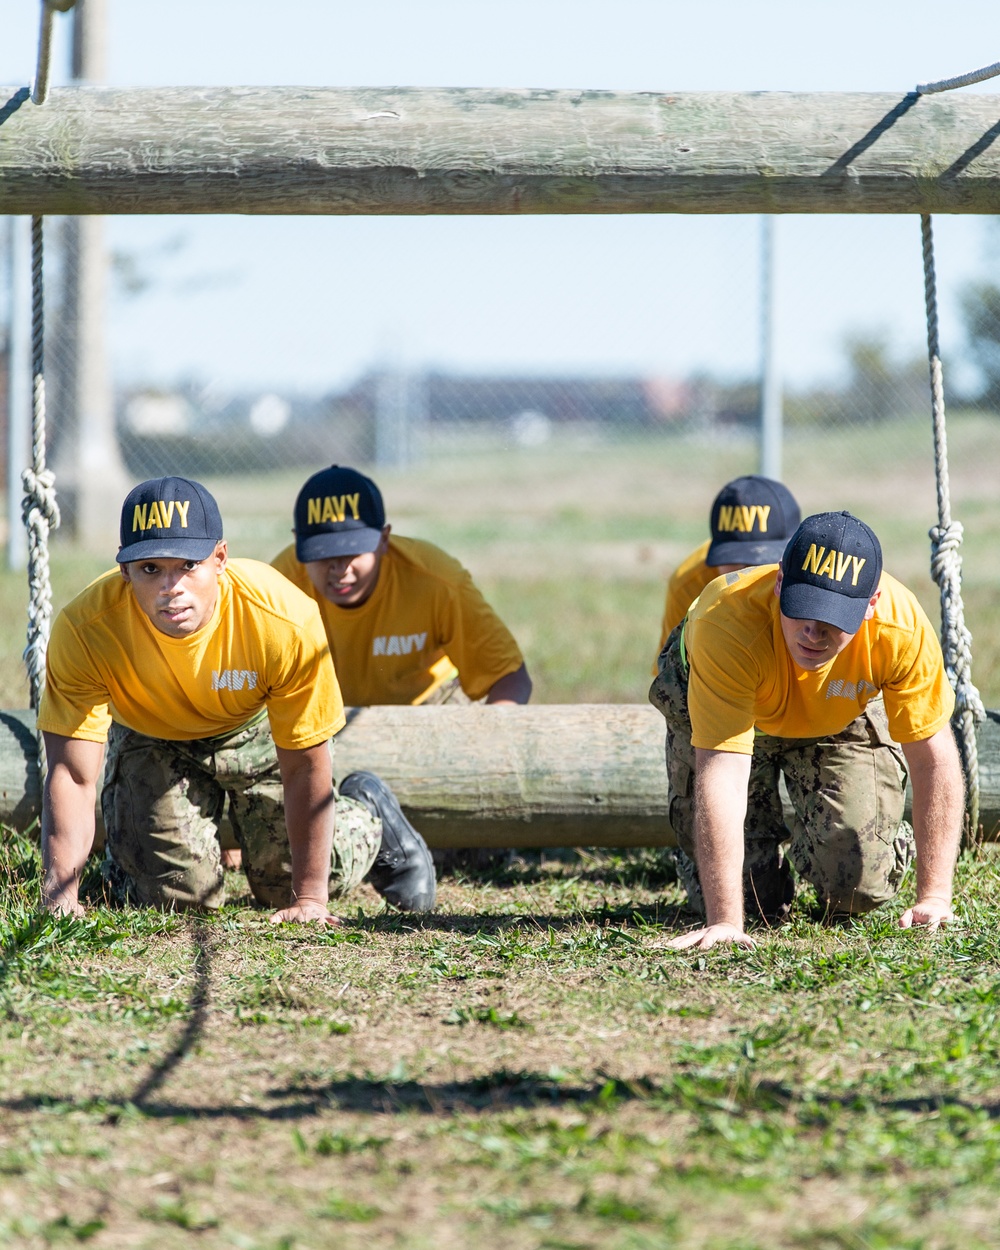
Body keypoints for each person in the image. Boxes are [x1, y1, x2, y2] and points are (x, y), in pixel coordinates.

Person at [37, 475, 437, 922]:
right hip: (151, 735)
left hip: (253, 728)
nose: (172, 587)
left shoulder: (282, 618)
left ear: (220, 559)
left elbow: (306, 761)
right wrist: (60, 893)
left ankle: (366, 813)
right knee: (179, 899)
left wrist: (309, 899)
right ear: (126, 570)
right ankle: (140, 857)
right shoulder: (85, 629)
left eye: (188, 565)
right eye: (151, 569)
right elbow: (72, 774)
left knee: (285, 883)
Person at [649, 510, 964, 950]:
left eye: (833, 618)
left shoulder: (900, 628)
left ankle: (864, 832)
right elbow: (722, 767)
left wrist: (935, 895)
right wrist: (725, 922)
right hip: (732, 708)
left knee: (857, 886)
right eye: (803, 611)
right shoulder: (726, 621)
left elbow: (934, 758)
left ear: (871, 604)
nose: (813, 631)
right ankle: (697, 857)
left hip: (835, 713)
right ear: (780, 583)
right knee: (751, 901)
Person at [271, 464, 531, 708]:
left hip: (429, 701)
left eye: (353, 552)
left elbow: (508, 677)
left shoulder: (437, 581)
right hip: (318, 710)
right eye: (323, 554)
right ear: (298, 546)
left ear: (384, 540)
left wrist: (488, 746)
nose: (340, 569)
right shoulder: (276, 590)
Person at [655, 475, 802, 663]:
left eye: (760, 563)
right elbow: (673, 677)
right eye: (734, 560)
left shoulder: (811, 580)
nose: (746, 574)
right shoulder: (688, 584)